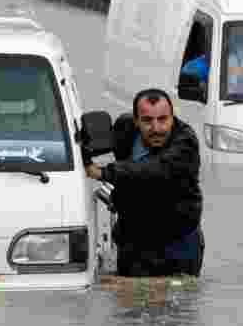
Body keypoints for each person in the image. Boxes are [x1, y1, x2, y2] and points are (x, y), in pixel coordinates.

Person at [84, 88, 204, 277]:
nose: (156, 128)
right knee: (128, 303)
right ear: (136, 120)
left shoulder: (185, 142)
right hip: (133, 240)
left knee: (177, 301)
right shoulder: (124, 130)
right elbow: (91, 145)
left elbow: (154, 170)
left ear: (173, 118)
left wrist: (102, 172)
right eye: (147, 121)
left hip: (177, 244)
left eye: (163, 119)